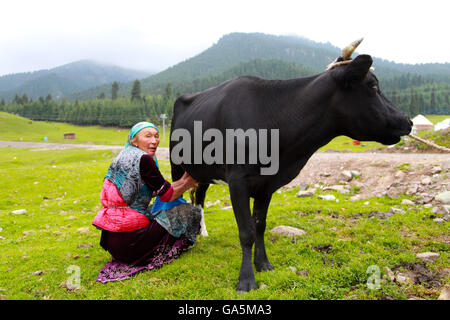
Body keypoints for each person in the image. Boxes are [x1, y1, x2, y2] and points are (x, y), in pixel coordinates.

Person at [92, 121, 201, 282]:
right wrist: (189, 182)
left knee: (155, 209)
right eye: (148, 136)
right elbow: (167, 195)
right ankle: (164, 250)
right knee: (188, 212)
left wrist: (185, 179)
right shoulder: (144, 160)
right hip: (131, 242)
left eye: (156, 136)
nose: (154, 140)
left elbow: (162, 189)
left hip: (113, 241)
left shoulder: (124, 155)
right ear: (134, 140)